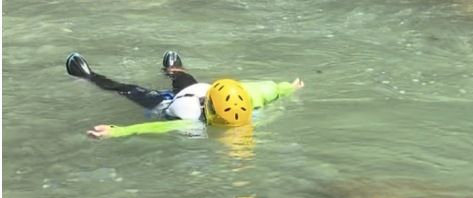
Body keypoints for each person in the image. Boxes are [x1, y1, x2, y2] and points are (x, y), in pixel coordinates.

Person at [65, 51, 303, 139]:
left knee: (183, 78)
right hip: (169, 103)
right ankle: (88, 76)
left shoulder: (248, 96)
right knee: (127, 89)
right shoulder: (190, 120)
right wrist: (118, 131)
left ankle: (174, 70)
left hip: (197, 90)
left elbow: (272, 90)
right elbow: (156, 128)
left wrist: (289, 88)